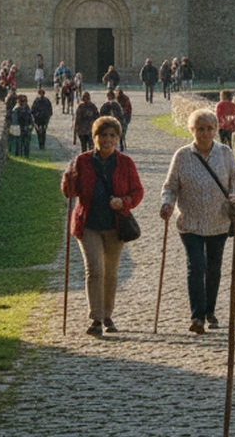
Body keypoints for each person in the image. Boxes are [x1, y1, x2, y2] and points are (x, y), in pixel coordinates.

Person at [160, 109, 235, 333]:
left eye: (209, 128)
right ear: (192, 130)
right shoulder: (182, 156)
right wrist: (167, 203)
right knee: (196, 266)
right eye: (200, 128)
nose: (205, 133)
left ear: (216, 130)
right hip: (190, 222)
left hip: (218, 221)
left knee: (214, 267)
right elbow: (170, 187)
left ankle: (210, 310)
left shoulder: (225, 153)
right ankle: (197, 316)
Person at [61, 116, 143, 337]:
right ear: (94, 137)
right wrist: (68, 178)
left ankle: (108, 315)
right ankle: (96, 318)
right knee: (94, 270)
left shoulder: (125, 163)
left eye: (112, 136)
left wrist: (124, 202)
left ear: (117, 138)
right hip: (88, 224)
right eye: (102, 135)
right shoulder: (82, 161)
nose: (107, 140)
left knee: (111, 273)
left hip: (115, 226)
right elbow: (70, 192)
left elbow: (137, 192)